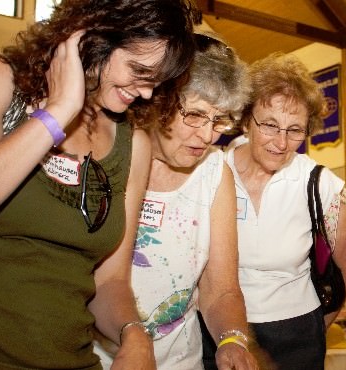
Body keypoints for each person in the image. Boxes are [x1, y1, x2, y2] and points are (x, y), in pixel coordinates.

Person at [0, 0, 198, 368]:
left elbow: (109, 280)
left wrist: (133, 333)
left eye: (156, 83)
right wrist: (58, 113)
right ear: (92, 38)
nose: (145, 93)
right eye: (138, 71)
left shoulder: (134, 141)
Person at [93, 32, 257, 370]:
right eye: (195, 115)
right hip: (95, 356)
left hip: (179, 360)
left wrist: (231, 340)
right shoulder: (111, 154)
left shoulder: (214, 173)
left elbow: (221, 288)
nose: (208, 134)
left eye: (219, 119)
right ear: (160, 101)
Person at [211, 52, 346, 370]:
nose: (281, 142)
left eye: (295, 130)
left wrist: (316, 329)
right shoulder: (212, 171)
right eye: (270, 125)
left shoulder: (321, 185)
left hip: (297, 334)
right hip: (220, 330)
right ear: (247, 118)